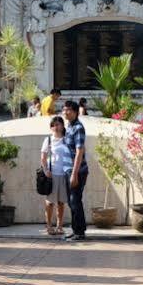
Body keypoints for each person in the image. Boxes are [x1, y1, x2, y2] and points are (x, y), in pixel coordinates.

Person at [61, 100, 88, 241]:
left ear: (76, 112)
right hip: (68, 170)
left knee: (75, 200)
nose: (65, 112)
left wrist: (74, 174)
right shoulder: (69, 127)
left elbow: (79, 151)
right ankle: (76, 229)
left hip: (77, 171)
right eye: (64, 109)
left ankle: (80, 232)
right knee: (72, 202)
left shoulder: (78, 128)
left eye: (69, 110)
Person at [40, 116, 72, 236]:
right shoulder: (48, 140)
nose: (57, 127)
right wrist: (45, 170)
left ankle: (59, 226)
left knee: (61, 202)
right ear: (51, 127)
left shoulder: (66, 139)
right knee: (49, 202)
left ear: (63, 126)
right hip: (52, 175)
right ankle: (49, 225)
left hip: (64, 174)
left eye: (59, 124)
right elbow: (43, 157)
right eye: (54, 125)